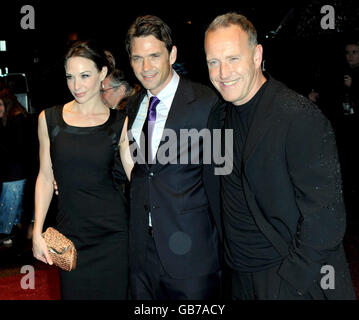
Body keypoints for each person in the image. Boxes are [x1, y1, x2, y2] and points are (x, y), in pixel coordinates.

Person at [204, 12, 355, 300]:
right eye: (214, 62)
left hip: (285, 277)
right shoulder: (218, 116)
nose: (223, 73)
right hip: (237, 276)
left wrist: (293, 280)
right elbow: (220, 190)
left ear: (257, 55)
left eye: (233, 58)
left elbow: (326, 216)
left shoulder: (298, 116)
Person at [115, 15, 222, 300]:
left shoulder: (206, 103)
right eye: (137, 58)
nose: (145, 67)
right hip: (142, 257)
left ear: (172, 54)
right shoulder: (135, 104)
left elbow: (224, 180)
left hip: (192, 257)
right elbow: (139, 172)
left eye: (154, 56)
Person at [32, 40, 129, 300]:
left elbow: (136, 177)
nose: (76, 86)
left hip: (114, 236)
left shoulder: (120, 123)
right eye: (70, 77)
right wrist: (38, 231)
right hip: (70, 238)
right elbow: (44, 176)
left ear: (103, 74)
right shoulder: (49, 119)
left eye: (85, 76)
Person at [0, 91, 30, 245]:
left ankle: (7, 235)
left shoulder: (16, 120)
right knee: (13, 207)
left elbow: (17, 149)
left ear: (7, 104)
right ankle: (14, 234)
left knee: (8, 206)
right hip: (14, 172)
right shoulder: (11, 119)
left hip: (15, 173)